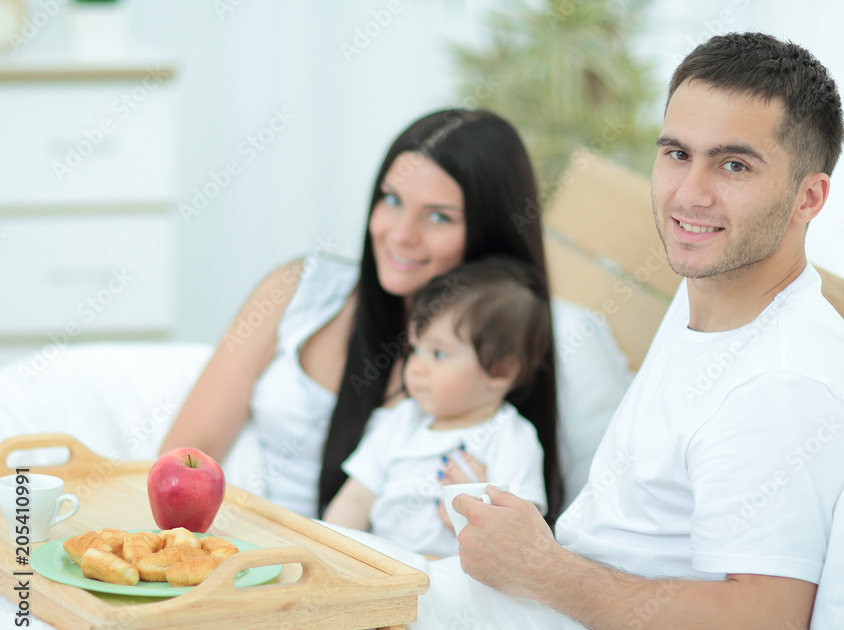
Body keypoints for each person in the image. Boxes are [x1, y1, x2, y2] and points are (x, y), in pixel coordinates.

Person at [451, 32, 844, 630]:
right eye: (677, 153)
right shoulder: (714, 290)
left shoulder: (782, 384)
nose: (689, 193)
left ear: (808, 198)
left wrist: (542, 568)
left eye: (734, 166)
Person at [160, 109, 563, 525]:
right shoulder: (298, 290)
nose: (401, 233)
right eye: (392, 200)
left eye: (439, 216)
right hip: (224, 537)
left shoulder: (491, 370)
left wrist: (484, 522)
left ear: (489, 233)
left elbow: (512, 542)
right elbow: (189, 451)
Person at [323, 257, 551, 558]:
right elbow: (356, 498)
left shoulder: (511, 439)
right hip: (381, 567)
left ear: (500, 371)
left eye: (439, 354)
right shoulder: (401, 420)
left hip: (455, 580)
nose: (417, 367)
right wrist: (328, 548)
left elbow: (523, 541)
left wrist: (476, 513)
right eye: (415, 349)